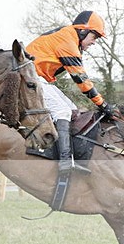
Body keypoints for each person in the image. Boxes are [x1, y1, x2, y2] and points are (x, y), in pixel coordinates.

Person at [26, 11, 119, 175]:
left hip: (37, 78)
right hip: (30, 78)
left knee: (72, 109)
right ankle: (65, 161)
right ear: (83, 30)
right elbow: (81, 80)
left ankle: (65, 153)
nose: (94, 42)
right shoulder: (68, 41)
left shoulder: (69, 37)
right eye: (94, 36)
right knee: (62, 111)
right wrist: (103, 105)